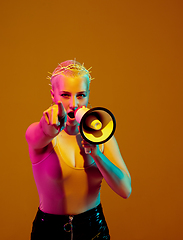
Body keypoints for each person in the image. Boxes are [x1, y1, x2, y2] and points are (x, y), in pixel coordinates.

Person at [25, 60, 132, 240]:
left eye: (81, 95)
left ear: (89, 96)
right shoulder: (40, 135)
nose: (74, 104)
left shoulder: (102, 136)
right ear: (53, 95)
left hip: (93, 230)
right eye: (65, 95)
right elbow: (41, 132)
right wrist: (49, 125)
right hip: (49, 232)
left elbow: (125, 190)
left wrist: (97, 154)